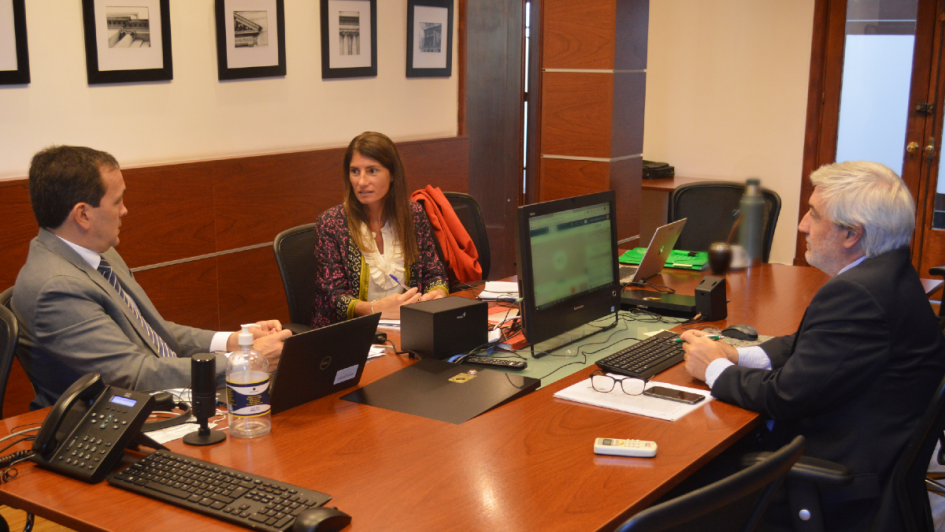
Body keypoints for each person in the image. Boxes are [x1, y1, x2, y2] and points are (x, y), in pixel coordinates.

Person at [679, 161, 945, 530]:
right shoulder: (890, 272)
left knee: (679, 479)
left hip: (838, 488)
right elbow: (813, 344)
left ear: (851, 234)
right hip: (872, 457)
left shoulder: (857, 294)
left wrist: (714, 369)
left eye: (814, 214)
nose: (803, 224)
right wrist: (737, 353)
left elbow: (786, 397)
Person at [12, 146, 292, 410]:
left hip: (163, 398)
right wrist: (245, 361)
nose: (124, 210)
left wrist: (235, 341)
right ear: (83, 215)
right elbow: (133, 375)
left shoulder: (97, 253)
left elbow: (155, 334)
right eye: (117, 200)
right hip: (106, 421)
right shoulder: (56, 288)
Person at [310, 132, 449, 328]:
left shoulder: (413, 215)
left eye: (372, 171)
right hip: (349, 332)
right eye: (355, 171)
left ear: (392, 174)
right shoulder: (331, 223)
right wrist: (376, 308)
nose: (361, 182)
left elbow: (434, 274)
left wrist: (437, 293)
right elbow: (333, 296)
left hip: (407, 327)